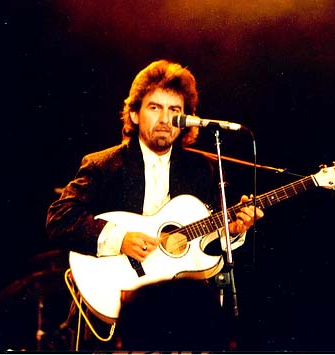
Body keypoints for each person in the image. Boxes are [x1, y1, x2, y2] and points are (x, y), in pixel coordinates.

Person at [45, 59, 264, 352]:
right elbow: (59, 218)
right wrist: (120, 239)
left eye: (175, 111)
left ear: (186, 118)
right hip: (114, 308)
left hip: (178, 314)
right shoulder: (104, 165)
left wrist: (233, 230)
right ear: (134, 114)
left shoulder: (201, 169)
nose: (165, 119)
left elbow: (204, 247)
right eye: (154, 108)